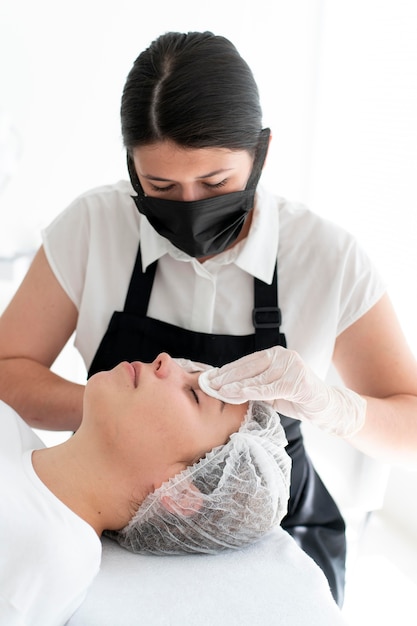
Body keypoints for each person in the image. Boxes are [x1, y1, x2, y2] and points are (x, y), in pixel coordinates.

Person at [0, 30, 416, 606]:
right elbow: (8, 366)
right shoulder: (93, 226)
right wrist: (120, 423)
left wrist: (334, 407)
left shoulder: (328, 259)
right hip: (116, 501)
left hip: (285, 530)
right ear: (131, 166)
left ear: (261, 153)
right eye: (161, 187)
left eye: (216, 183)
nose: (191, 205)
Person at [0, 352, 291, 626]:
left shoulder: (46, 558)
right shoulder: (8, 424)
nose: (165, 359)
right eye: (190, 371)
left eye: (193, 394)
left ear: (180, 493)